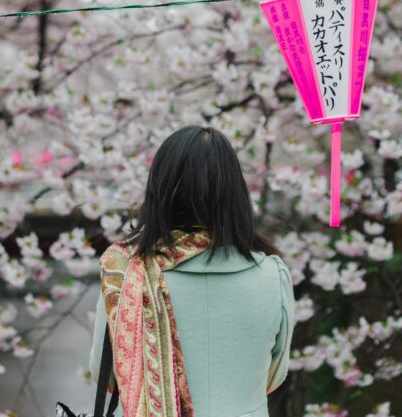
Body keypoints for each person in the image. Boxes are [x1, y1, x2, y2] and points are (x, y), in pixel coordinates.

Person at [88, 125, 295, 417]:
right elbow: (273, 377)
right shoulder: (273, 274)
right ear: (235, 192)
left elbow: (105, 375)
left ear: (158, 189)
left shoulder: (125, 273)